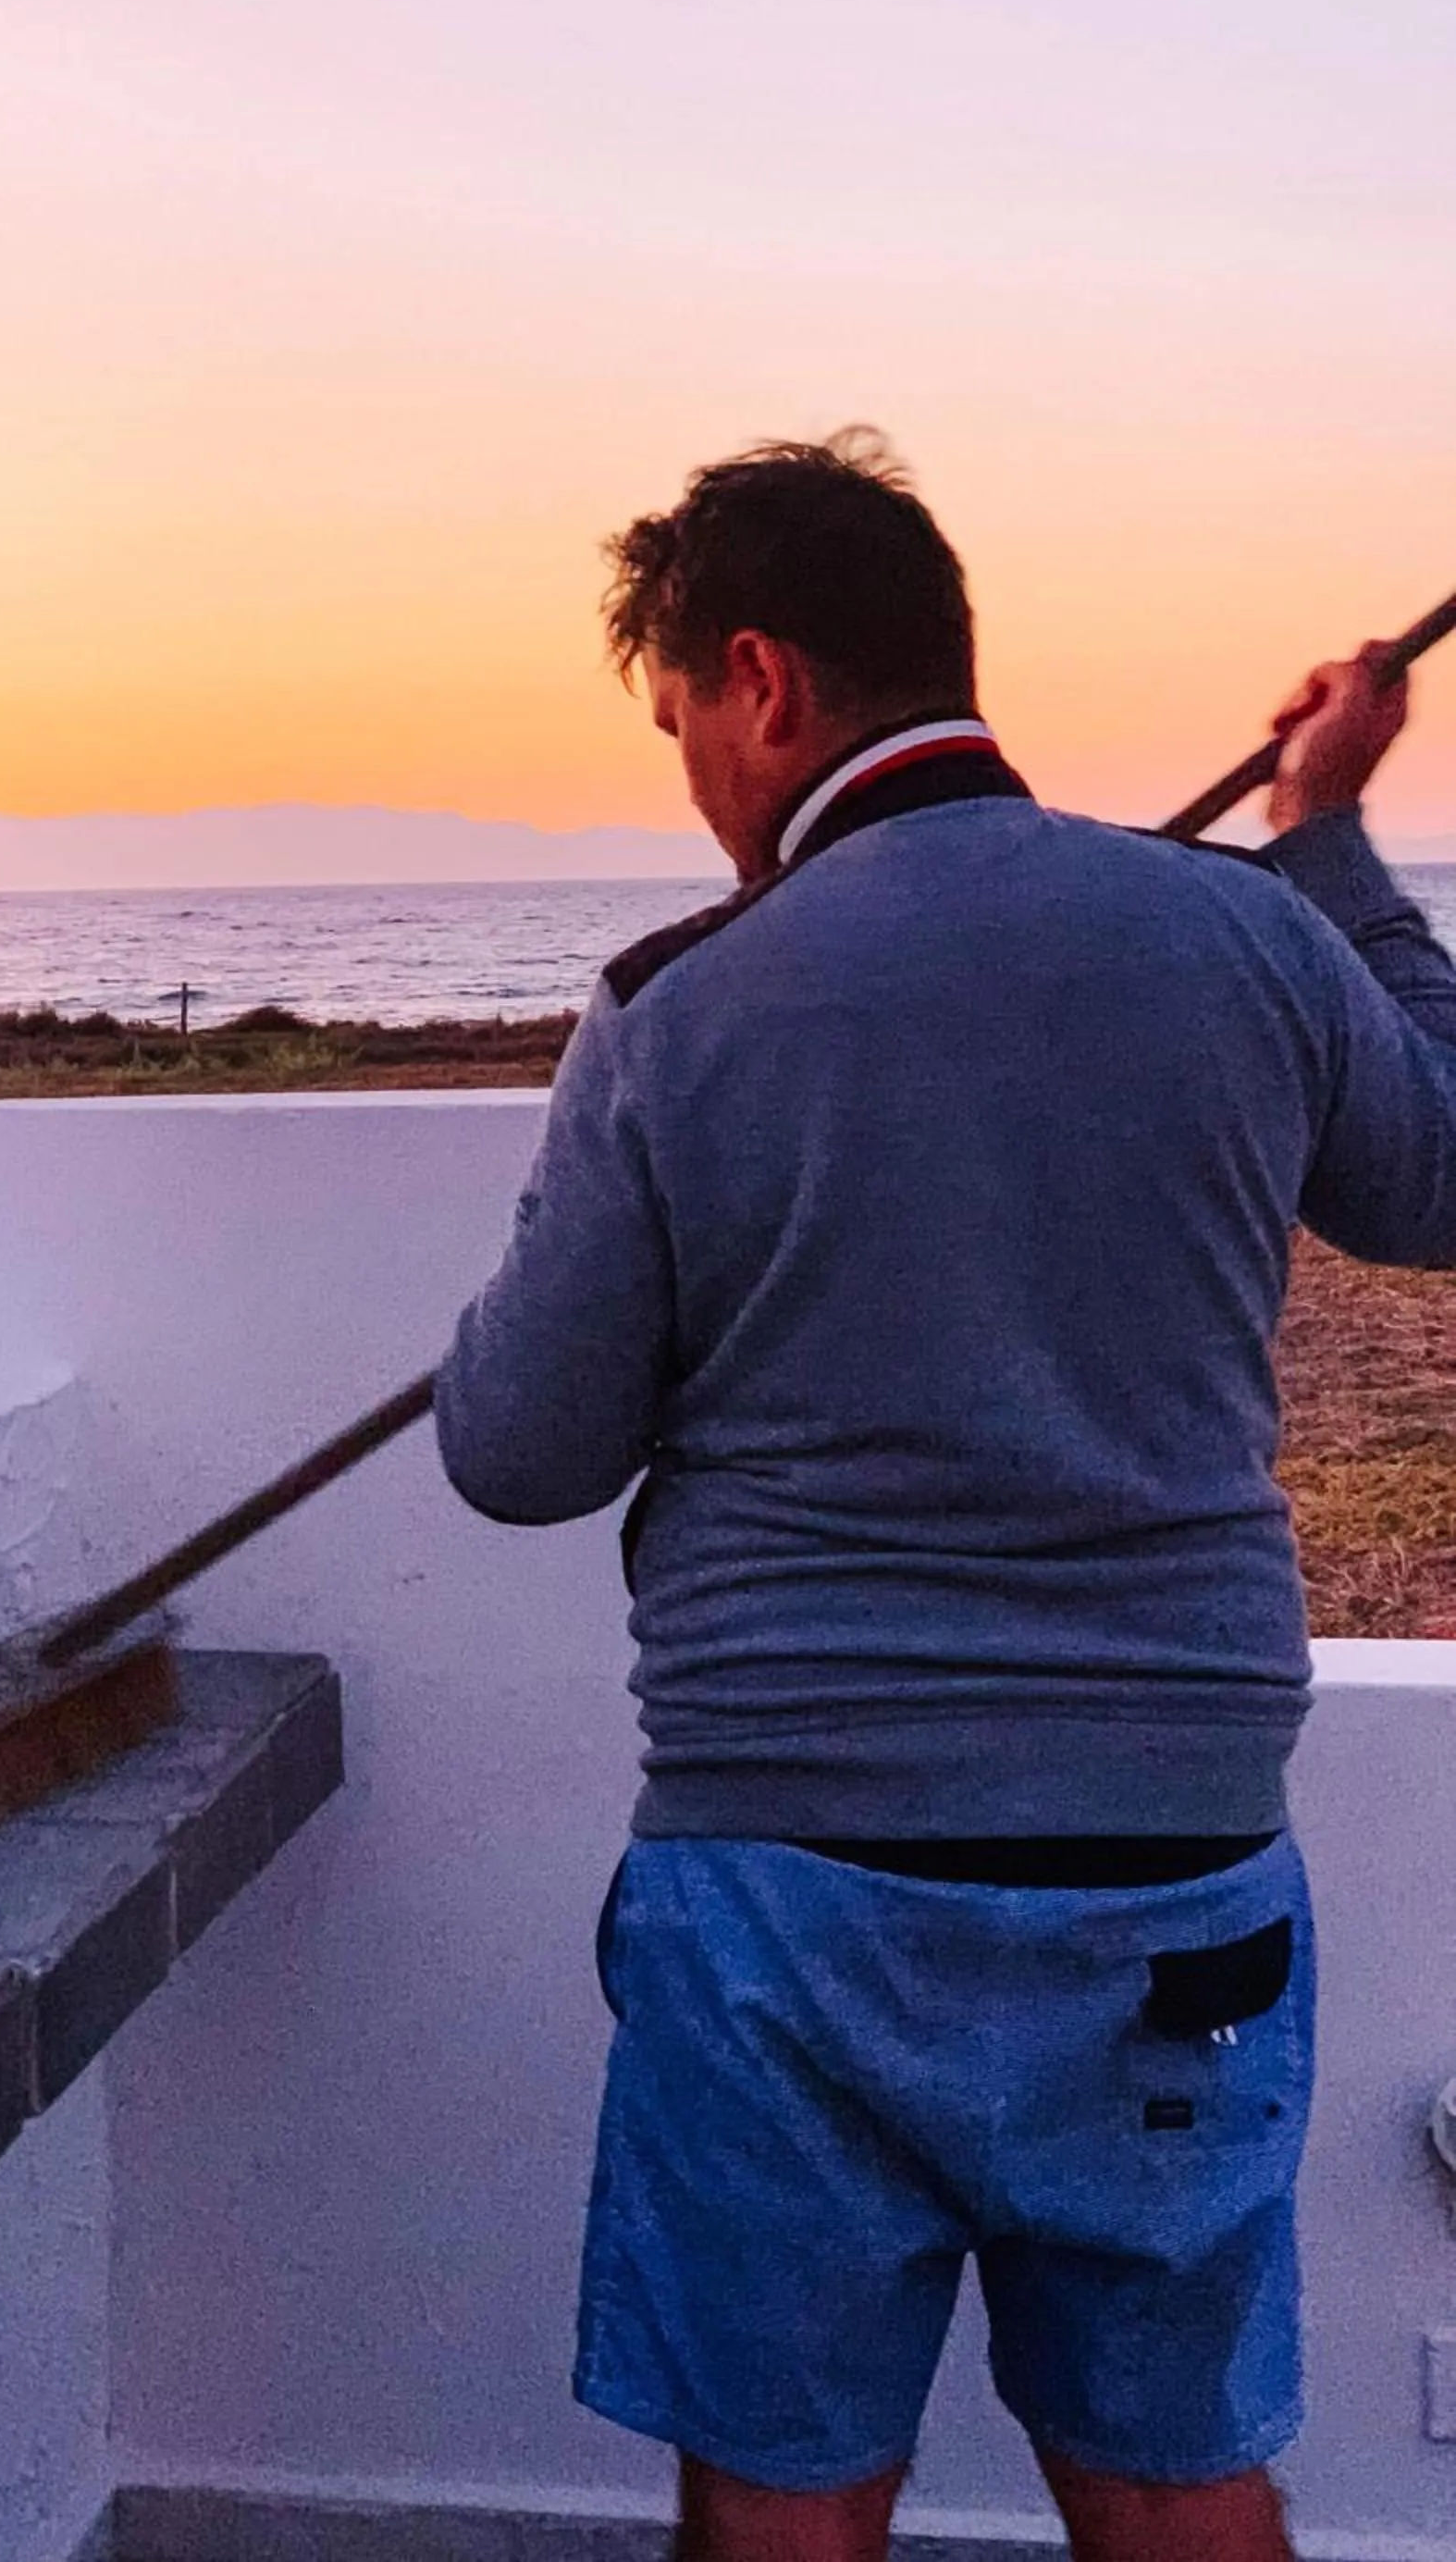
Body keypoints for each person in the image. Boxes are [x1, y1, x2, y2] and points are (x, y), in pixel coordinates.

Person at [431, 431, 1456, 2562]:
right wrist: (1328, 840)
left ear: (761, 680)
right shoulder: (1245, 937)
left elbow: (517, 1454)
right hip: (1174, 1874)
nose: (696, 790)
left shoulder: (676, 1010)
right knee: (1172, 2480)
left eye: (681, 727)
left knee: (782, 2501)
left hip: (792, 1890)